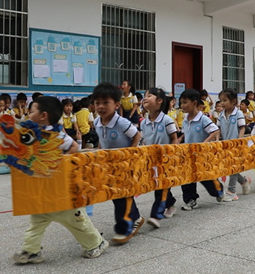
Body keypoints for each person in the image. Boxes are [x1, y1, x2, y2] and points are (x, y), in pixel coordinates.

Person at [13, 96, 108, 264]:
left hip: (61, 194)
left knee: (77, 221)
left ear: (43, 115)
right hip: (42, 193)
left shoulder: (55, 134)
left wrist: (59, 161)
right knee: (36, 222)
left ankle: (96, 243)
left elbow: (73, 148)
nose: (28, 114)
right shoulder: (31, 134)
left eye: (32, 111)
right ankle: (31, 250)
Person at [92, 82, 144, 245]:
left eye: (105, 103)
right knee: (118, 194)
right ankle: (136, 217)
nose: (100, 107)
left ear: (116, 105)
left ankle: (124, 228)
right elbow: (102, 140)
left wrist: (129, 154)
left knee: (122, 194)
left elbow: (137, 136)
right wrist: (99, 155)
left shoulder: (122, 122)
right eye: (97, 103)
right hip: (109, 164)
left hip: (125, 163)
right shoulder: (97, 122)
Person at [179, 88, 224, 210]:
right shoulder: (185, 119)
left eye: (185, 102)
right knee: (187, 178)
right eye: (181, 103)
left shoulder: (203, 118)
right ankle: (190, 200)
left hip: (202, 155)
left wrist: (204, 143)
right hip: (189, 154)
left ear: (194, 103)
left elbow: (215, 130)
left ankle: (218, 190)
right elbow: (185, 133)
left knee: (206, 178)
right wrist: (179, 141)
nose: (182, 105)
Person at [140, 87, 179, 228]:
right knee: (158, 184)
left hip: (165, 159)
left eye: (149, 95)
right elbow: (144, 141)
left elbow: (174, 138)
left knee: (161, 186)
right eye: (144, 96)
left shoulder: (167, 120)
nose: (145, 98)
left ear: (159, 101)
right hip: (151, 160)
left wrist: (171, 156)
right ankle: (171, 203)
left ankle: (156, 214)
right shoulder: (143, 123)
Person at [217, 88, 250, 200]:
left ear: (233, 101)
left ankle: (232, 191)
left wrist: (239, 141)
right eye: (220, 100)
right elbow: (218, 129)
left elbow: (242, 128)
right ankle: (243, 181)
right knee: (230, 168)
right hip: (225, 145)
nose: (222, 103)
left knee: (233, 167)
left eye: (224, 100)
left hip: (236, 145)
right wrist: (218, 140)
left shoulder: (238, 113)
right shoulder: (221, 114)